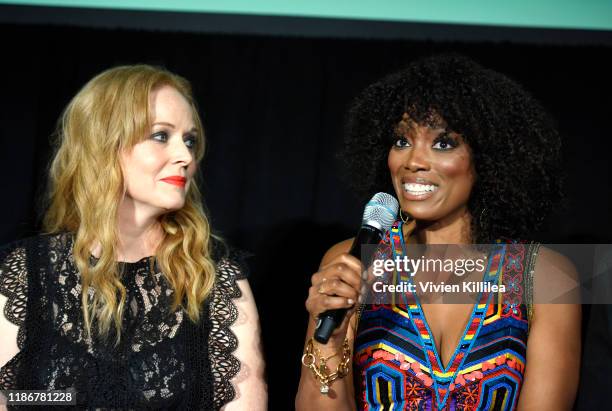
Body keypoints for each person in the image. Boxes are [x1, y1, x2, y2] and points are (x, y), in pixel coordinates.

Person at [296, 54, 581, 410]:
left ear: (487, 160)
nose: (412, 161)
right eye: (401, 141)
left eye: (443, 143)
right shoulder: (353, 261)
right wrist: (329, 343)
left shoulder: (544, 278)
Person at [0, 65, 266, 410]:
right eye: (160, 136)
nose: (185, 156)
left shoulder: (214, 276)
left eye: (190, 140)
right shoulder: (25, 270)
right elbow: (11, 397)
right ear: (104, 144)